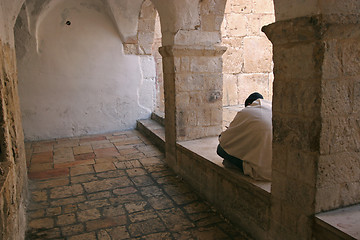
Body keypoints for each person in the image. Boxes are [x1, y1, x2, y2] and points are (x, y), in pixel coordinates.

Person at [217, 92, 272, 181]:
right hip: (278, 170)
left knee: (220, 149)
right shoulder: (273, 108)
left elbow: (224, 141)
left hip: (261, 171)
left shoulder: (246, 111)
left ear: (249, 104)